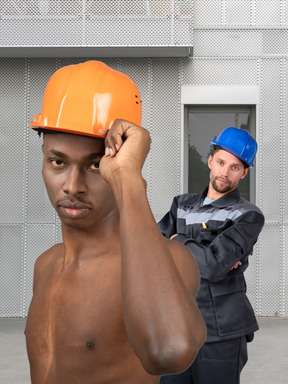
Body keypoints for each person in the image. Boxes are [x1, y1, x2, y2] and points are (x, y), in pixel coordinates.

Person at [24, 60, 206, 384]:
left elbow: (169, 351)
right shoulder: (45, 264)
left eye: (95, 165)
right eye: (57, 161)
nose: (72, 186)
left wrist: (128, 180)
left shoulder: (169, 262)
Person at [158, 127, 265, 384]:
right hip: (175, 327)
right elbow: (152, 251)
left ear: (245, 172)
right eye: (220, 162)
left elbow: (213, 266)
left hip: (221, 331)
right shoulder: (181, 205)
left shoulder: (248, 215)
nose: (225, 172)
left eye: (235, 167)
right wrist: (204, 252)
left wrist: (177, 241)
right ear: (210, 160)